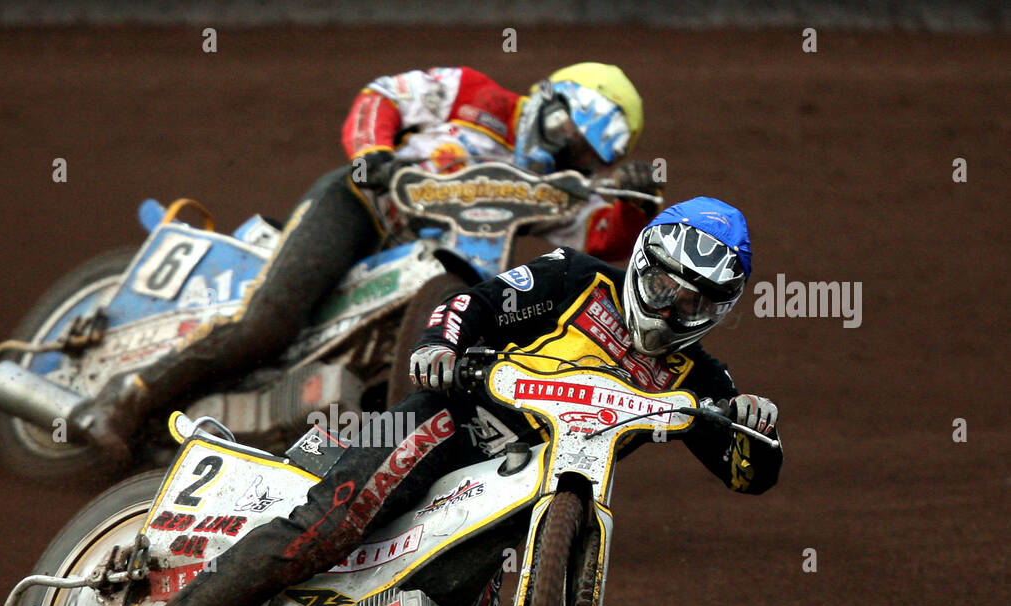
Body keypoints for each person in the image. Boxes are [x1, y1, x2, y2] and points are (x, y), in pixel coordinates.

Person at [123, 196, 783, 606]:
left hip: (523, 498)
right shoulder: (577, 278)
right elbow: (473, 301)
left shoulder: (703, 382)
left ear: (719, 309)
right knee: (333, 522)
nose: (673, 307)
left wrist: (755, 429)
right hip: (451, 419)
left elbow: (746, 474)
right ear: (642, 263)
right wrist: (441, 347)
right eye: (665, 285)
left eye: (695, 300)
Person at [74, 64, 660, 462]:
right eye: (566, 130)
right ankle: (128, 398)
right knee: (271, 319)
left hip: (437, 267)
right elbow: (380, 98)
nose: (565, 151)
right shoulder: (472, 92)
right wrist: (374, 157)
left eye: (583, 152)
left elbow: (599, 237)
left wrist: (636, 207)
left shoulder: (548, 186)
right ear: (548, 98)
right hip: (361, 206)